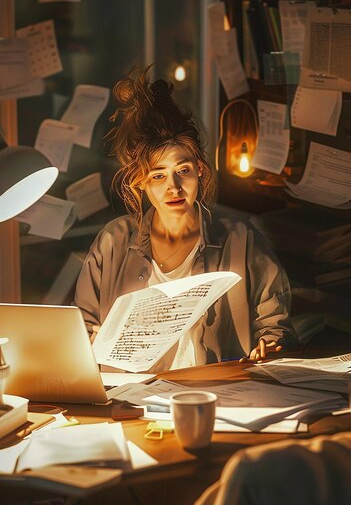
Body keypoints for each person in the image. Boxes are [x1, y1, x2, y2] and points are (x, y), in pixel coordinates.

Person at [74, 67, 298, 372]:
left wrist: (271, 344)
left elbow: (276, 326)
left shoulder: (240, 237)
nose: (174, 188)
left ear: (200, 169)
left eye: (183, 171)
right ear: (139, 182)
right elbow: (82, 330)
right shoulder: (113, 242)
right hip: (132, 399)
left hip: (217, 393)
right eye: (158, 176)